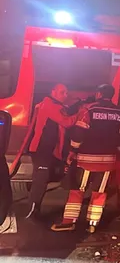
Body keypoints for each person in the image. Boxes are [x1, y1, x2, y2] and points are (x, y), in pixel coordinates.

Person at [51, 84, 120, 233]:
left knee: (77, 190)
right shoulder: (119, 113)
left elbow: (79, 133)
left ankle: (68, 222)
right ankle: (93, 223)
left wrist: (73, 150)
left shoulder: (89, 110)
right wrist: (118, 152)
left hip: (86, 159)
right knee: (99, 192)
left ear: (99, 94)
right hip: (108, 161)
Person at [25, 83, 78, 219]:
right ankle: (32, 211)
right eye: (62, 92)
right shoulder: (49, 105)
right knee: (40, 181)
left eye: (66, 93)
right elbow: (66, 122)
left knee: (43, 179)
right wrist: (80, 114)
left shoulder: (55, 105)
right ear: (53, 92)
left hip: (48, 150)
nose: (65, 95)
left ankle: (35, 210)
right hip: (42, 149)